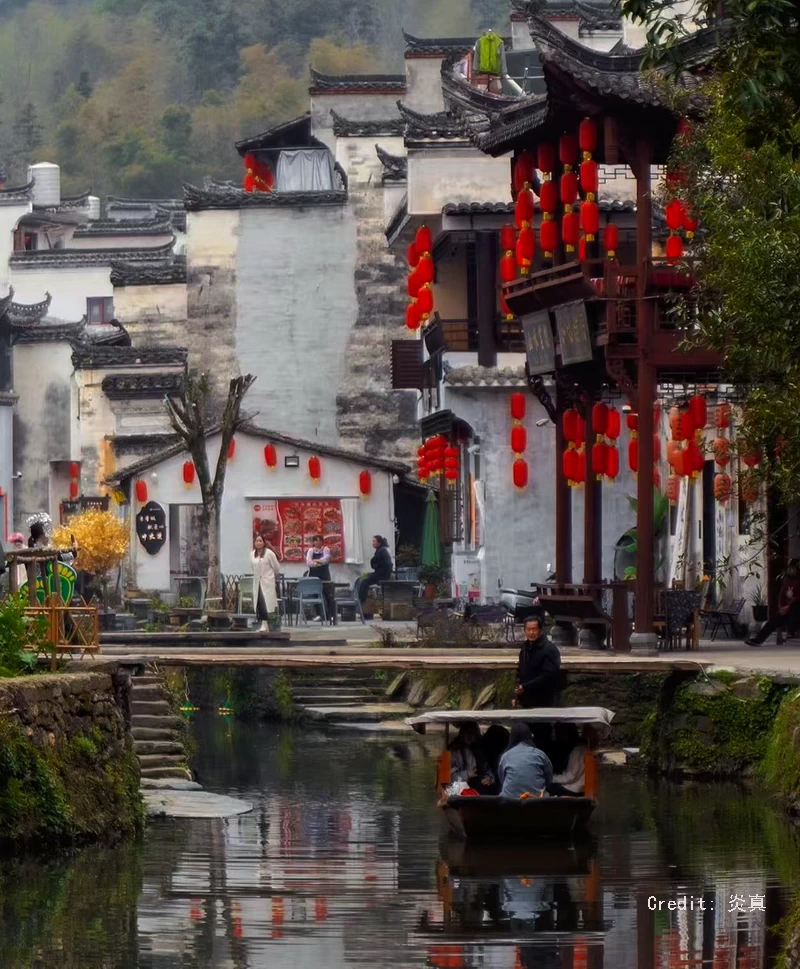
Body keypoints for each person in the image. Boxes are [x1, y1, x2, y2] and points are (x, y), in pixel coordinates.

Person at [746, 559, 800, 646]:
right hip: (787, 610)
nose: (790, 570)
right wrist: (781, 607)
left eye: (793, 568)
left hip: (796, 609)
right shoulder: (787, 581)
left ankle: (791, 632)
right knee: (773, 620)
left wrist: (789, 605)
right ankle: (758, 639)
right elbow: (781, 596)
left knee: (795, 607)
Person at [514, 616, 561, 708]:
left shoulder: (550, 650)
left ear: (541, 630)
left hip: (543, 701)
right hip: (525, 699)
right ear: (524, 631)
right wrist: (517, 696)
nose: (531, 632)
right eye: (528, 629)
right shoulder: (525, 648)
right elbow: (520, 673)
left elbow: (548, 676)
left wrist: (526, 687)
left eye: (534, 629)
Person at [497, 722, 553, 799]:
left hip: (509, 800)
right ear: (530, 736)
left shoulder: (506, 756)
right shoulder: (539, 754)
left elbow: (502, 779)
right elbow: (549, 778)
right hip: (537, 799)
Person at [448, 722, 494, 791]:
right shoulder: (454, 750)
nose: (470, 736)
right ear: (462, 734)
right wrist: (467, 775)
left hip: (478, 785)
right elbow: (450, 774)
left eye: (472, 733)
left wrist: (489, 778)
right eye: (467, 733)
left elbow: (486, 768)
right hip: (458, 787)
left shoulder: (479, 750)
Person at [251, 534, 281, 632]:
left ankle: (266, 624)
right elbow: (252, 567)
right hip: (257, 582)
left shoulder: (269, 553)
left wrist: (270, 576)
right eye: (257, 541)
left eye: (260, 541)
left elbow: (276, 567)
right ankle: (263, 624)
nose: (258, 543)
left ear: (264, 543)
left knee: (266, 603)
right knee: (259, 602)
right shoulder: (252, 554)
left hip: (267, 582)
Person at [548, 723, 587, 797]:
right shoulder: (582, 748)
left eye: (557, 733)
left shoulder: (577, 751)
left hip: (574, 789)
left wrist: (551, 778)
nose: (555, 736)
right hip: (578, 787)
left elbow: (570, 776)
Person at [358, 535, 393, 605]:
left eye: (374, 541)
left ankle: (361, 601)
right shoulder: (382, 550)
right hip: (380, 574)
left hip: (381, 575)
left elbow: (374, 563)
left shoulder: (381, 551)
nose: (372, 543)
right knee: (362, 576)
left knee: (364, 581)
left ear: (379, 543)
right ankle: (358, 581)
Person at [305, 534, 333, 621]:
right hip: (313, 576)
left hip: (324, 575)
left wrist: (316, 561)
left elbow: (326, 560)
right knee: (315, 595)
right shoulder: (310, 551)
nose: (318, 542)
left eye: (320, 540)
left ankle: (329, 615)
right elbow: (309, 562)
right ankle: (318, 615)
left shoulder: (326, 549)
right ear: (313, 542)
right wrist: (316, 563)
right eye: (316, 540)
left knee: (327, 594)